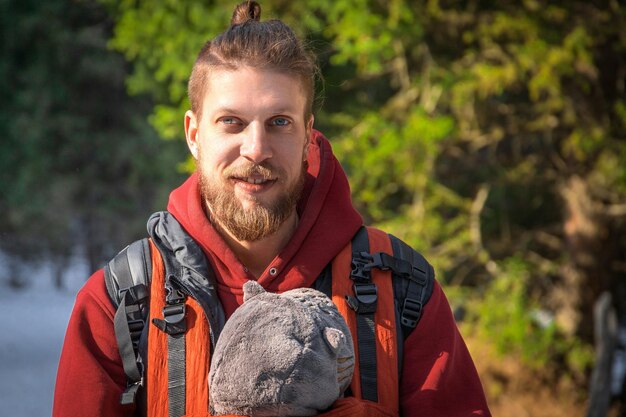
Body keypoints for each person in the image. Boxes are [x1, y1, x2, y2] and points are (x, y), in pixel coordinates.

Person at [53, 1, 491, 416]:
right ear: (193, 134)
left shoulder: (400, 288)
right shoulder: (122, 302)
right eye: (232, 122)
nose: (256, 149)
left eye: (279, 122)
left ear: (307, 136)